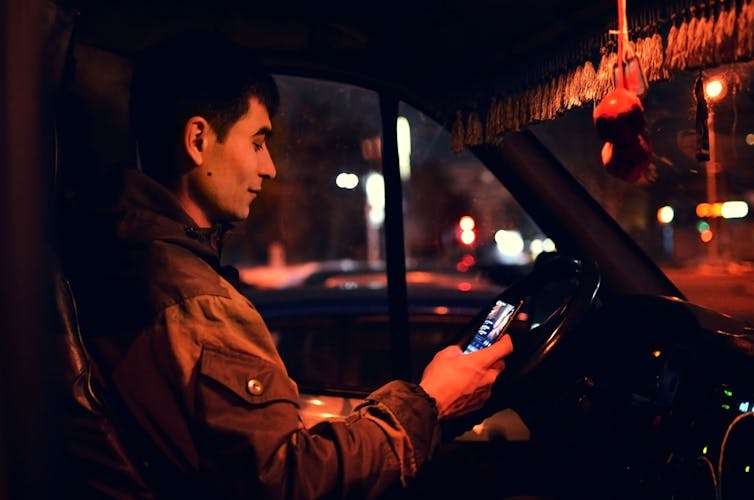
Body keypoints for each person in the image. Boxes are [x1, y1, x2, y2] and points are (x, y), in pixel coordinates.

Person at [61, 32, 514, 499]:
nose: (269, 167)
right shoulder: (193, 299)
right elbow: (291, 480)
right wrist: (429, 402)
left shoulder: (125, 257)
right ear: (198, 140)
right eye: (257, 141)